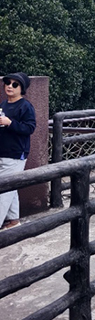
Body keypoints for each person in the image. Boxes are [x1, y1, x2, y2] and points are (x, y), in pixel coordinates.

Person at [0, 73, 36, 230]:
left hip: (16, 154)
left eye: (15, 84)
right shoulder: (4, 104)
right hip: (3, 151)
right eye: (8, 82)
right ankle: (13, 221)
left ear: (22, 89)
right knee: (10, 187)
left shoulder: (25, 106)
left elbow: (30, 128)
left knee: (3, 191)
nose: (9, 86)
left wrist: (10, 123)